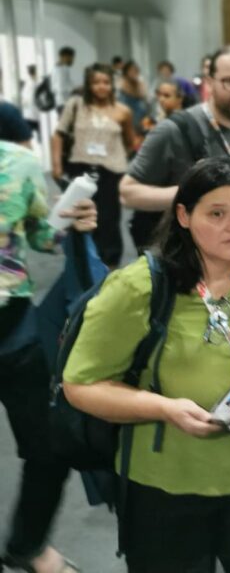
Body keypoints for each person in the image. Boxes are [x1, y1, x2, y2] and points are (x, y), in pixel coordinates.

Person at [63, 158, 230, 572]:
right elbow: (81, 384)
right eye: (216, 214)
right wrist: (166, 409)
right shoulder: (140, 287)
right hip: (169, 486)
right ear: (184, 216)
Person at [0, 135, 97, 573]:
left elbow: (41, 236)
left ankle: (28, 544)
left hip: (14, 330)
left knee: (51, 447)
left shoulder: (18, 162)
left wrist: (72, 219)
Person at [120, 46, 230, 253]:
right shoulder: (174, 130)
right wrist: (189, 193)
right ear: (210, 82)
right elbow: (127, 193)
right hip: (189, 265)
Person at [52, 64, 135, 267]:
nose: (101, 87)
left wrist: (115, 155)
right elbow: (59, 135)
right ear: (89, 84)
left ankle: (109, 265)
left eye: (106, 82)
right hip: (80, 169)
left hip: (110, 172)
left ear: (112, 85)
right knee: (77, 216)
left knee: (108, 221)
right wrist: (56, 165)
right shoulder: (76, 105)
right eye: (96, 82)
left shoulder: (122, 111)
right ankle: (80, 263)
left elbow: (130, 142)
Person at [118, 60, 149, 135]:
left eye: (136, 70)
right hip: (125, 125)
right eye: (131, 70)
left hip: (140, 123)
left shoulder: (141, 84)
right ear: (126, 72)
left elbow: (146, 104)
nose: (134, 73)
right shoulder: (120, 85)